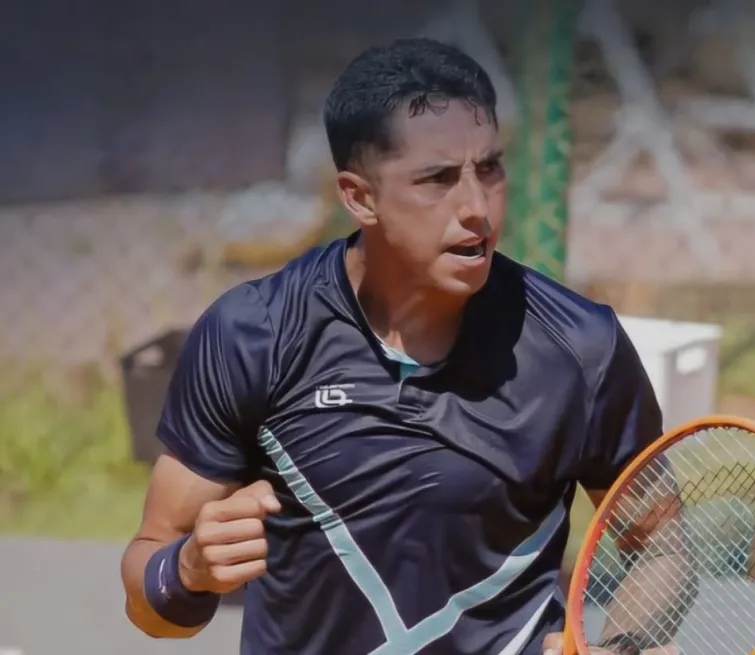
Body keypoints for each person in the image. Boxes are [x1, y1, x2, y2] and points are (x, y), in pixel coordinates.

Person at [120, 37, 688, 655]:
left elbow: (660, 544)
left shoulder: (580, 348)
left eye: (489, 169)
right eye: (437, 179)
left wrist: (623, 646)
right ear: (358, 197)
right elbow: (153, 597)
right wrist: (187, 572)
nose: (477, 208)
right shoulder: (256, 335)